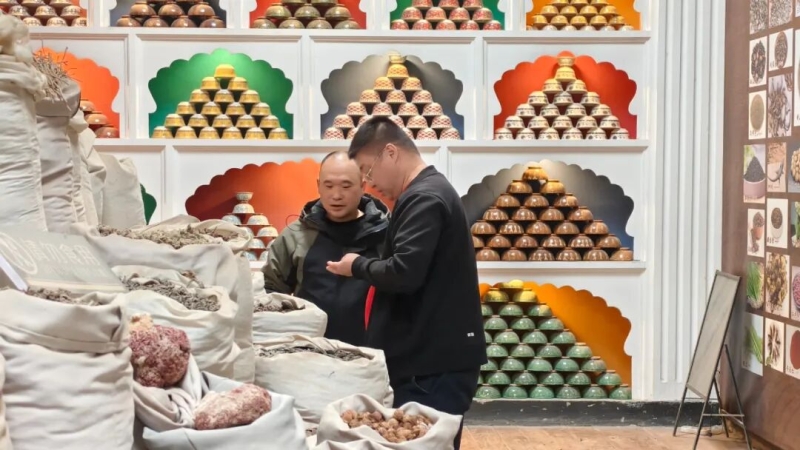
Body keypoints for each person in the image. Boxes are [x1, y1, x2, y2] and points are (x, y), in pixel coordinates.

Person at [325, 117, 487, 450]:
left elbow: (404, 272)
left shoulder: (424, 198)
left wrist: (357, 265)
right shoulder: (426, 193)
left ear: (391, 152)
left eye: (368, 171)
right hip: (431, 362)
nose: (370, 184)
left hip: (432, 367)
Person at [262, 151, 389, 347]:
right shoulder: (297, 235)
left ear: (362, 186)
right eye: (328, 186)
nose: (336, 195)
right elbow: (270, 291)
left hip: (373, 353)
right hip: (309, 350)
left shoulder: (386, 235)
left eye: (346, 186)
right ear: (318, 186)